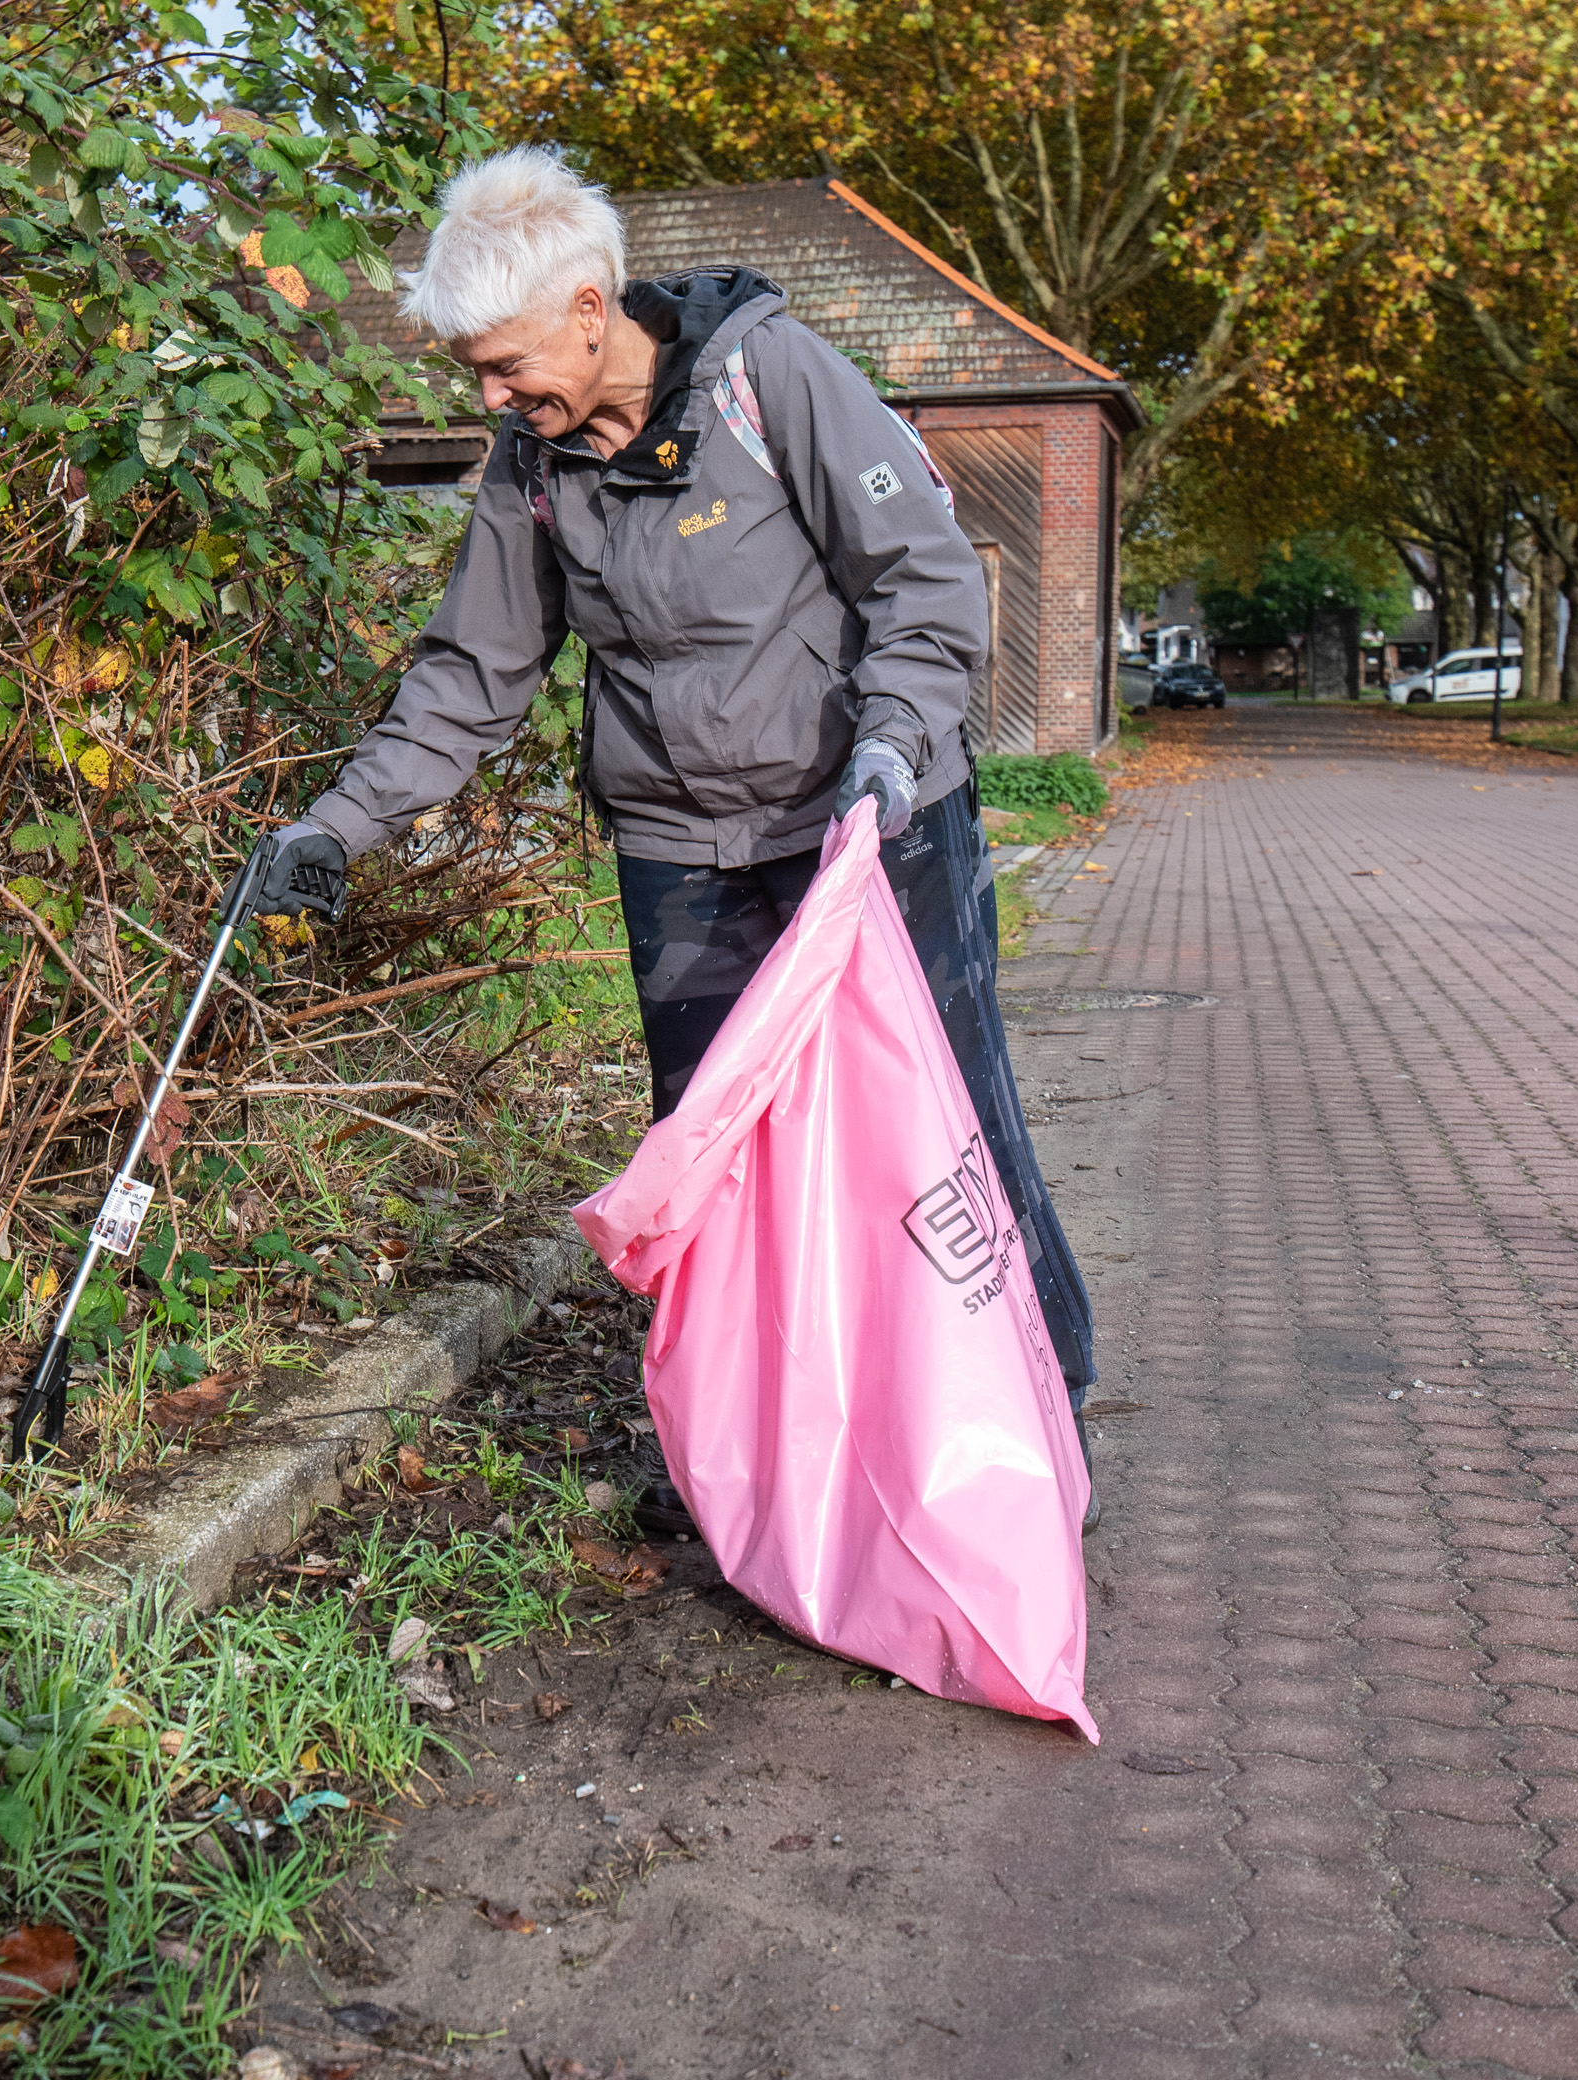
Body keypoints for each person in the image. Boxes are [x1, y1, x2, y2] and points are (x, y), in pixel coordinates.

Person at [252, 147, 1097, 1522]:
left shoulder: (776, 380)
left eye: (502, 362)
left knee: (945, 1131)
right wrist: (339, 824)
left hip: (868, 827)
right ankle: (737, 1454)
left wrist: (888, 747)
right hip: (681, 853)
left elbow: (926, 583)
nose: (488, 396)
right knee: (708, 1161)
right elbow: (473, 672)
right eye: (473, 371)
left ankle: (1040, 1414)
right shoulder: (532, 464)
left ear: (592, 310)